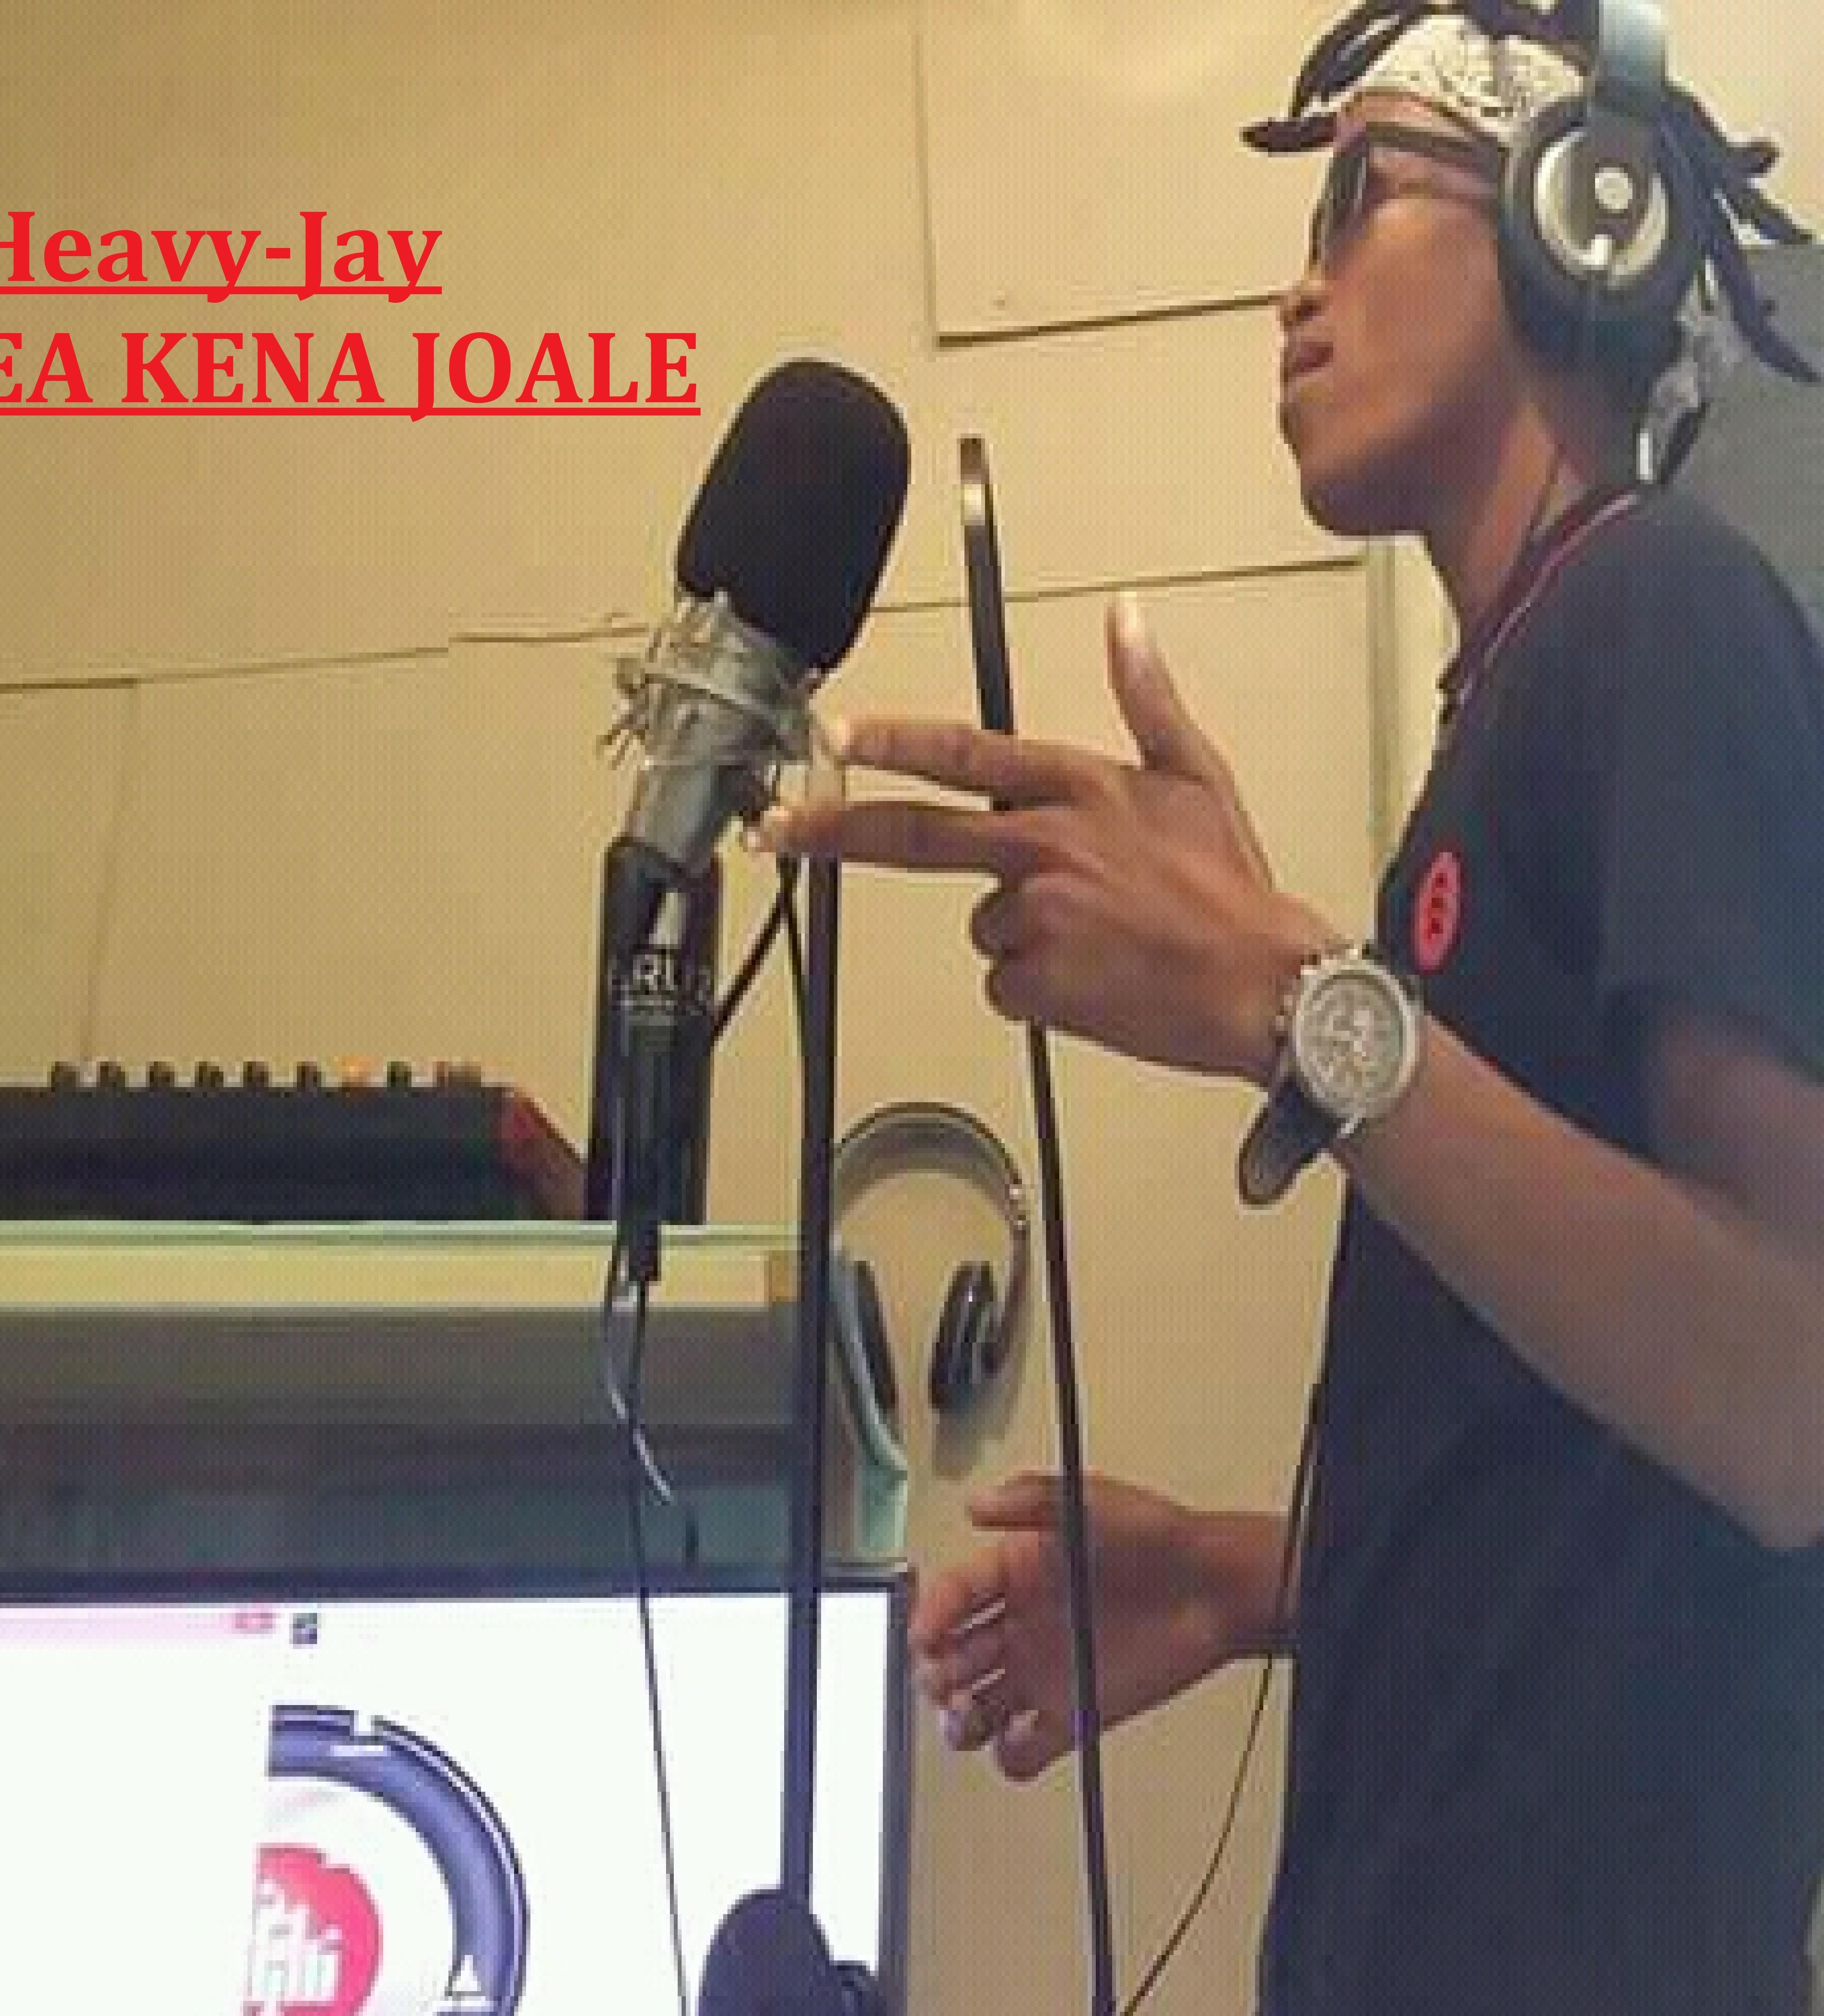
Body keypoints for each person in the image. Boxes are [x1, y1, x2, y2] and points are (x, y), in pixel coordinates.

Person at [759, 3, 1824, 2011]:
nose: (1295, 290)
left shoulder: (1662, 610)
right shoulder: (1525, 695)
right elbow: (1588, 1496)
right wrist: (1258, 1577)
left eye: (1357, 200)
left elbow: (1788, 1399)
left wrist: (1283, 992)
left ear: (1579, 215)